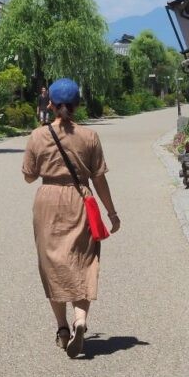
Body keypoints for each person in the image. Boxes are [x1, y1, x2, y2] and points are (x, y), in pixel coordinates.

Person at [21, 78, 121, 358]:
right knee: (83, 259)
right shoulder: (89, 137)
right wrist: (111, 212)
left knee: (52, 263)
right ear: (77, 105)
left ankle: (63, 328)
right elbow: (99, 177)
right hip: (80, 199)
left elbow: (29, 176)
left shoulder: (37, 136)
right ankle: (80, 318)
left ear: (50, 104)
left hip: (48, 200)